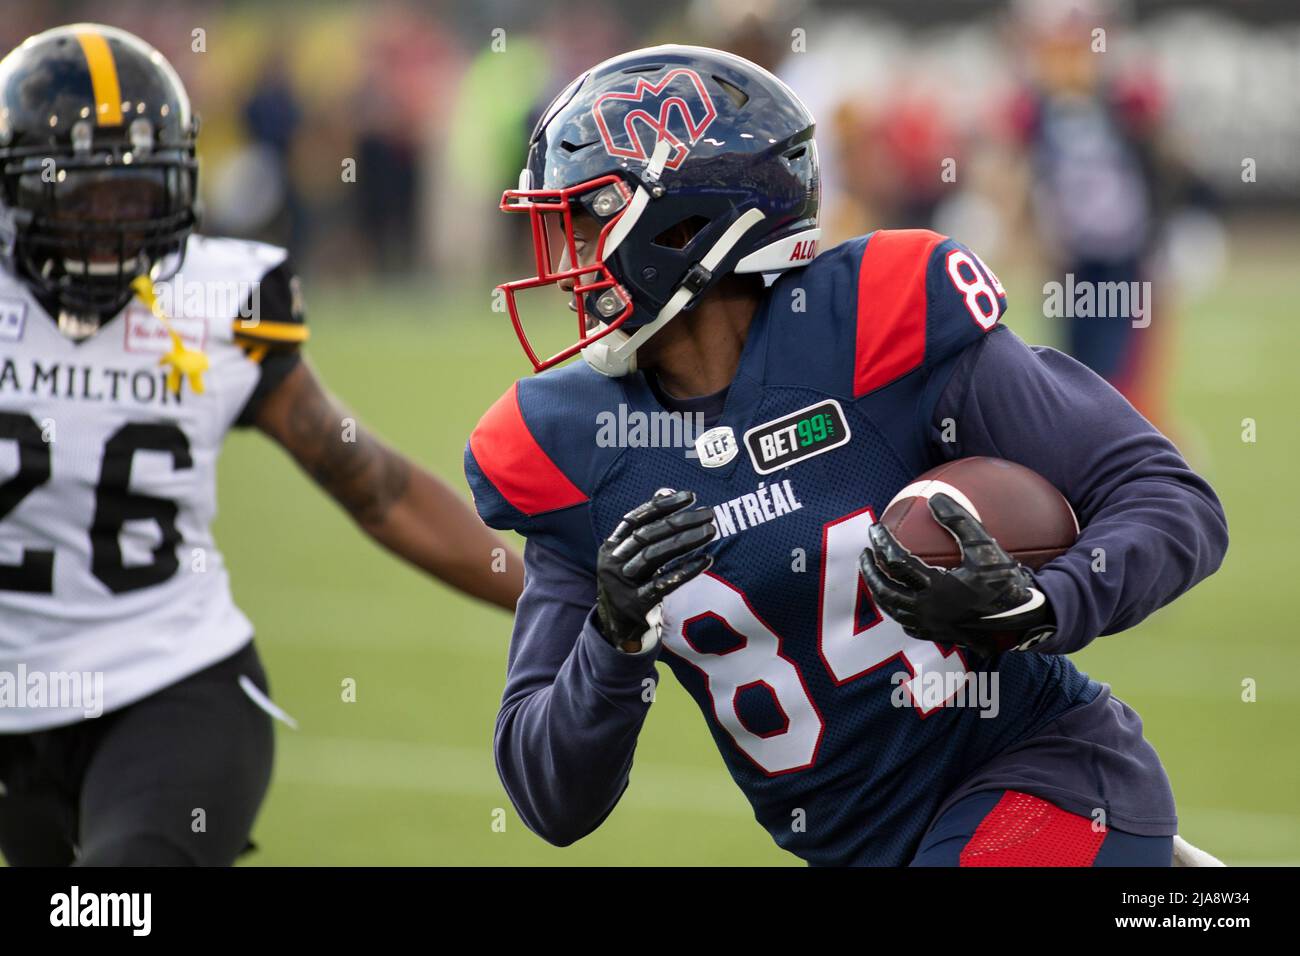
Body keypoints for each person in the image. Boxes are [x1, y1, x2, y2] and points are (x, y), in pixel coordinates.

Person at [465, 45, 1228, 866]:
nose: (567, 260)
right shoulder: (570, 444)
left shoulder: (873, 324)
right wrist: (611, 644)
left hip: (1044, 783)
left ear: (684, 226)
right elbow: (550, 798)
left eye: (587, 217)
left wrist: (1045, 604)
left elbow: (1166, 494)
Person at [0, 24, 522, 866]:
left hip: (171, 690)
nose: (111, 225)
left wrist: (544, 598)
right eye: (82, 197)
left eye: (133, 196)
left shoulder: (217, 304)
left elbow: (374, 484)